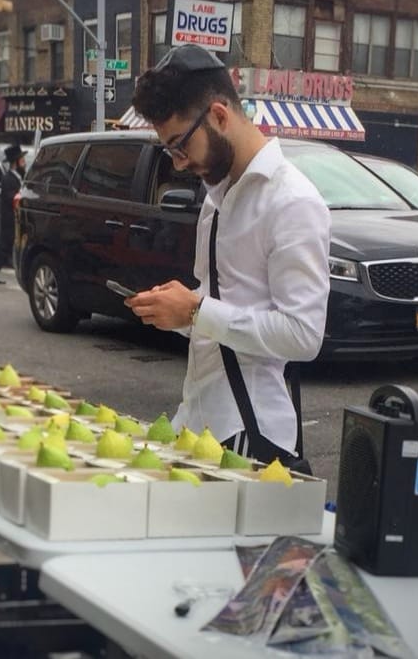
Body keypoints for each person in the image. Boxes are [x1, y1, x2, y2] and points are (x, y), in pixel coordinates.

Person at [125, 44, 332, 464]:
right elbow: (222, 308)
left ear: (219, 116)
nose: (179, 163)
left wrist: (196, 310)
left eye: (181, 145)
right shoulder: (217, 196)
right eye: (170, 151)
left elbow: (304, 335)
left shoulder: (292, 201)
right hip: (197, 421)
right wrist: (177, 312)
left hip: (250, 431)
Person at [0, 142, 26, 283]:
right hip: (9, 220)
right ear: (15, 163)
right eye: (22, 160)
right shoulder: (8, 178)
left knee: (4, 248)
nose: (24, 163)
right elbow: (12, 198)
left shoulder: (18, 177)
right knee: (3, 248)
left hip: (15, 219)